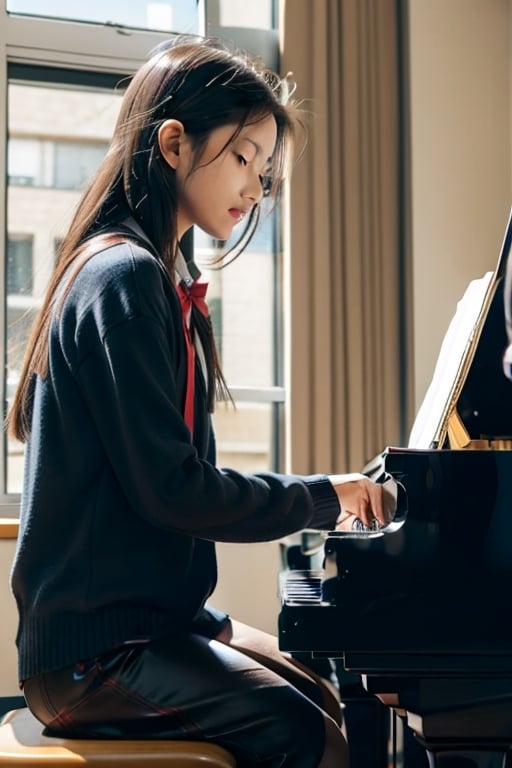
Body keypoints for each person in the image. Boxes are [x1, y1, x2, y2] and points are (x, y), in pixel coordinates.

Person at [7, 35, 396, 768]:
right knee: (305, 732)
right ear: (175, 145)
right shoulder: (121, 278)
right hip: (93, 656)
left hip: (150, 623)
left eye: (266, 172)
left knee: (323, 694)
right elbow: (177, 493)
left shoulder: (157, 274)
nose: (256, 187)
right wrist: (326, 494)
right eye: (245, 157)